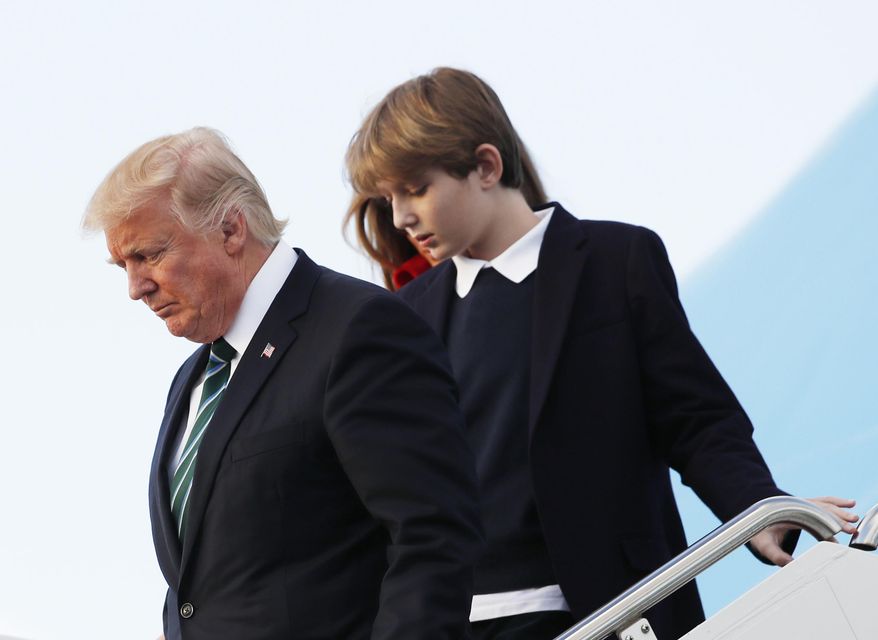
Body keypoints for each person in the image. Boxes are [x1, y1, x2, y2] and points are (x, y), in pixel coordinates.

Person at [344, 67, 859, 640]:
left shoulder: (617, 261)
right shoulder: (404, 316)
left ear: (486, 166)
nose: (399, 217)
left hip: (613, 608)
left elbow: (696, 418)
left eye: (415, 189)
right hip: (458, 623)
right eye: (388, 198)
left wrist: (758, 510)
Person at [82, 127, 484, 640]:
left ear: (231, 229)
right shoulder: (193, 378)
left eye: (150, 255)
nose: (136, 288)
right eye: (123, 265)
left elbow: (432, 538)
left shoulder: (358, 330)